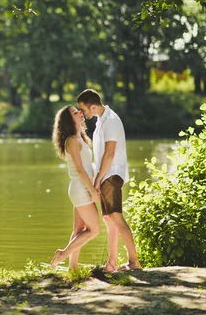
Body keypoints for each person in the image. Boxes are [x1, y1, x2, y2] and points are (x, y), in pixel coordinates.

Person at [76, 89, 142, 273]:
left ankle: (134, 262)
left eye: (84, 109)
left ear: (94, 106)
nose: (82, 113)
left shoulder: (111, 121)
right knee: (108, 218)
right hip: (105, 175)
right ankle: (112, 263)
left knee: (116, 216)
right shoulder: (100, 122)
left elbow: (110, 154)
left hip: (111, 176)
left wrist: (96, 181)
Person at [50, 105, 101, 270]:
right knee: (94, 230)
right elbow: (79, 170)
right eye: (75, 112)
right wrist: (92, 191)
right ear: (69, 120)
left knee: (79, 229)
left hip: (82, 188)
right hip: (81, 189)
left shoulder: (81, 138)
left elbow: (87, 167)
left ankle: (72, 268)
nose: (80, 112)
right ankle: (62, 255)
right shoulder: (71, 140)